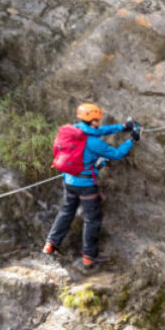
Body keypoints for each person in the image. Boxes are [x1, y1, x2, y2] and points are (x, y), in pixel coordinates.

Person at [42, 102, 138, 271]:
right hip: (86, 186)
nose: (99, 122)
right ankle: (88, 257)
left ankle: (50, 244)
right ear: (93, 120)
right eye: (97, 119)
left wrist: (123, 126)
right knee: (92, 220)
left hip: (69, 181)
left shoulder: (72, 130)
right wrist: (132, 139)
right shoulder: (94, 143)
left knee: (66, 212)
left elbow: (98, 132)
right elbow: (116, 154)